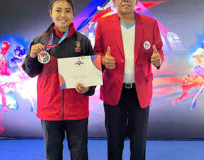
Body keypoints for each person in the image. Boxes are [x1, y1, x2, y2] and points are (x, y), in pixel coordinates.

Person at [22, 0, 95, 160]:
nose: (63, 15)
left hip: (76, 109)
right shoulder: (39, 41)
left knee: (80, 154)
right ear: (51, 13)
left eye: (67, 11)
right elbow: (30, 72)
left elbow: (91, 76)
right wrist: (32, 56)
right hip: (50, 109)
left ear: (73, 14)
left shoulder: (83, 42)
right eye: (58, 10)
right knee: (53, 155)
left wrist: (88, 88)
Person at [94, 0, 164, 159]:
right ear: (114, 2)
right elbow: (97, 52)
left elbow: (158, 50)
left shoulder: (150, 23)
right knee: (114, 141)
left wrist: (158, 59)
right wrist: (103, 60)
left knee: (139, 142)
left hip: (141, 91)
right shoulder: (103, 24)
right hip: (113, 90)